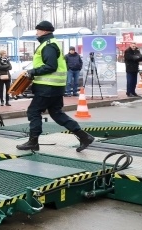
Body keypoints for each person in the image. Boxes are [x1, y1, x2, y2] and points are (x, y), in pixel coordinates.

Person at [16, 21, 95, 153]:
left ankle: (33, 141)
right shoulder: (52, 43)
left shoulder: (48, 45)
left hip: (47, 87)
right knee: (57, 113)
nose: (36, 33)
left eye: (38, 30)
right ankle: (84, 136)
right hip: (56, 87)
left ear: (45, 31)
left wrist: (32, 72)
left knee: (33, 111)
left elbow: (50, 66)